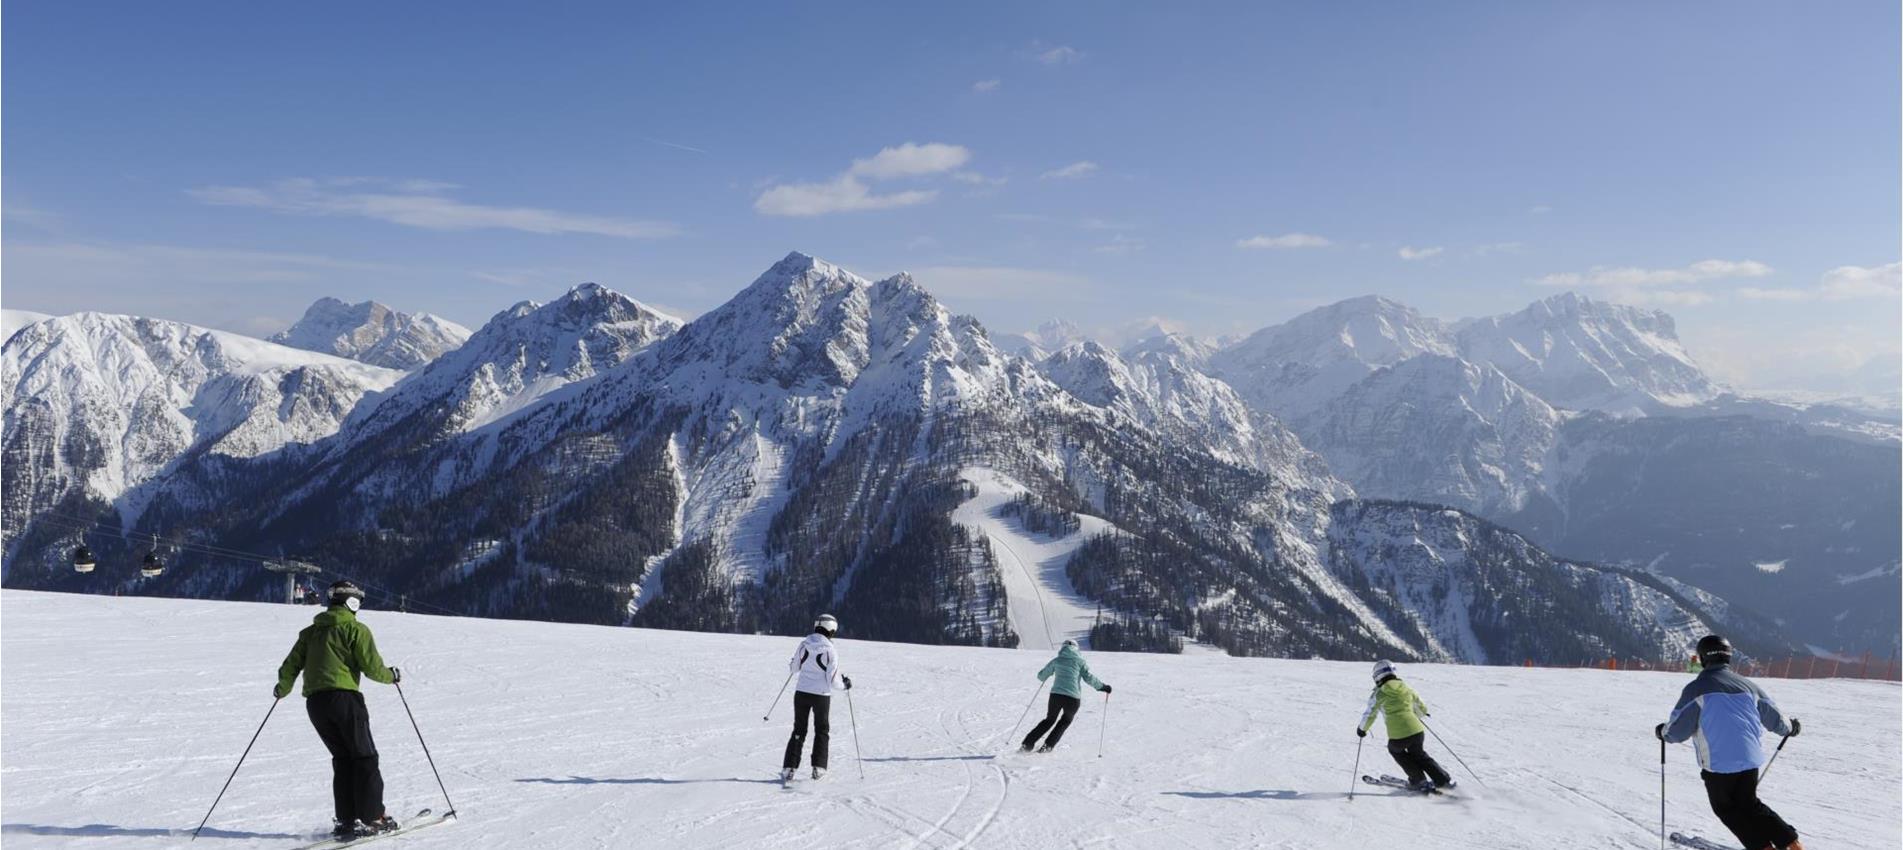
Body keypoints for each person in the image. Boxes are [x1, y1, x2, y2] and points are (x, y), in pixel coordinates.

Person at [274, 580, 402, 840]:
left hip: (316, 705)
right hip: (344, 699)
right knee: (364, 757)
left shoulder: (310, 633)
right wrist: (392, 676)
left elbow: (291, 665)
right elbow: (372, 668)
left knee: (343, 759)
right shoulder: (356, 629)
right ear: (352, 602)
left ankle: (347, 820)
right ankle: (373, 817)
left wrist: (282, 688)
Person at [1657, 635, 1804, 850]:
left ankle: (1763, 847)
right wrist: (1791, 727)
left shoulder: (1696, 689)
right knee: (1750, 804)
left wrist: (1662, 732)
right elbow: (1777, 721)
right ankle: (1793, 844)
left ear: (1703, 658)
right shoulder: (1749, 686)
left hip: (1718, 765)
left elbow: (1677, 732)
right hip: (1750, 761)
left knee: (1726, 809)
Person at [1356, 660, 1454, 792]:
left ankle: (1419, 780)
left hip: (1399, 735)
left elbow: (1370, 714)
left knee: (1395, 750)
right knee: (1420, 754)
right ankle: (1443, 780)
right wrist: (1420, 714)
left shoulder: (1379, 693)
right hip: (1418, 731)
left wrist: (1362, 729)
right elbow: (1421, 706)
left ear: (1378, 676)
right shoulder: (1406, 687)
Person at [782, 614, 850, 781]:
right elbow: (833, 681)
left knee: (799, 730)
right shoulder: (830, 650)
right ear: (831, 630)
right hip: (821, 696)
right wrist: (845, 685)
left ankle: (789, 767)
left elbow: (794, 669)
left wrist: (794, 663)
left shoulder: (803, 645)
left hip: (801, 693)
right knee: (821, 730)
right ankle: (818, 768)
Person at [1021, 639, 1110, 753]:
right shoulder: (1080, 662)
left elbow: (1041, 676)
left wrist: (1049, 674)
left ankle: (1027, 744)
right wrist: (1102, 687)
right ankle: (1048, 746)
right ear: (1076, 649)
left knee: (1049, 720)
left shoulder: (1057, 660)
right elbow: (1089, 678)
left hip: (1056, 696)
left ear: (1063, 648)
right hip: (1073, 698)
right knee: (1065, 721)